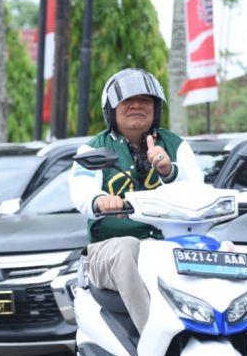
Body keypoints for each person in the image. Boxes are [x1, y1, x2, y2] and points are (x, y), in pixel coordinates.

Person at [69, 68, 204, 334]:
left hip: (166, 246)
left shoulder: (176, 145)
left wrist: (168, 170)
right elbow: (82, 191)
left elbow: (197, 193)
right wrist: (100, 201)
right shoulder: (93, 149)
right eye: (128, 100)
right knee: (127, 247)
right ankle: (154, 337)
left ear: (156, 108)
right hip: (107, 251)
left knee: (221, 247)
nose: (137, 106)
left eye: (145, 100)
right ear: (111, 110)